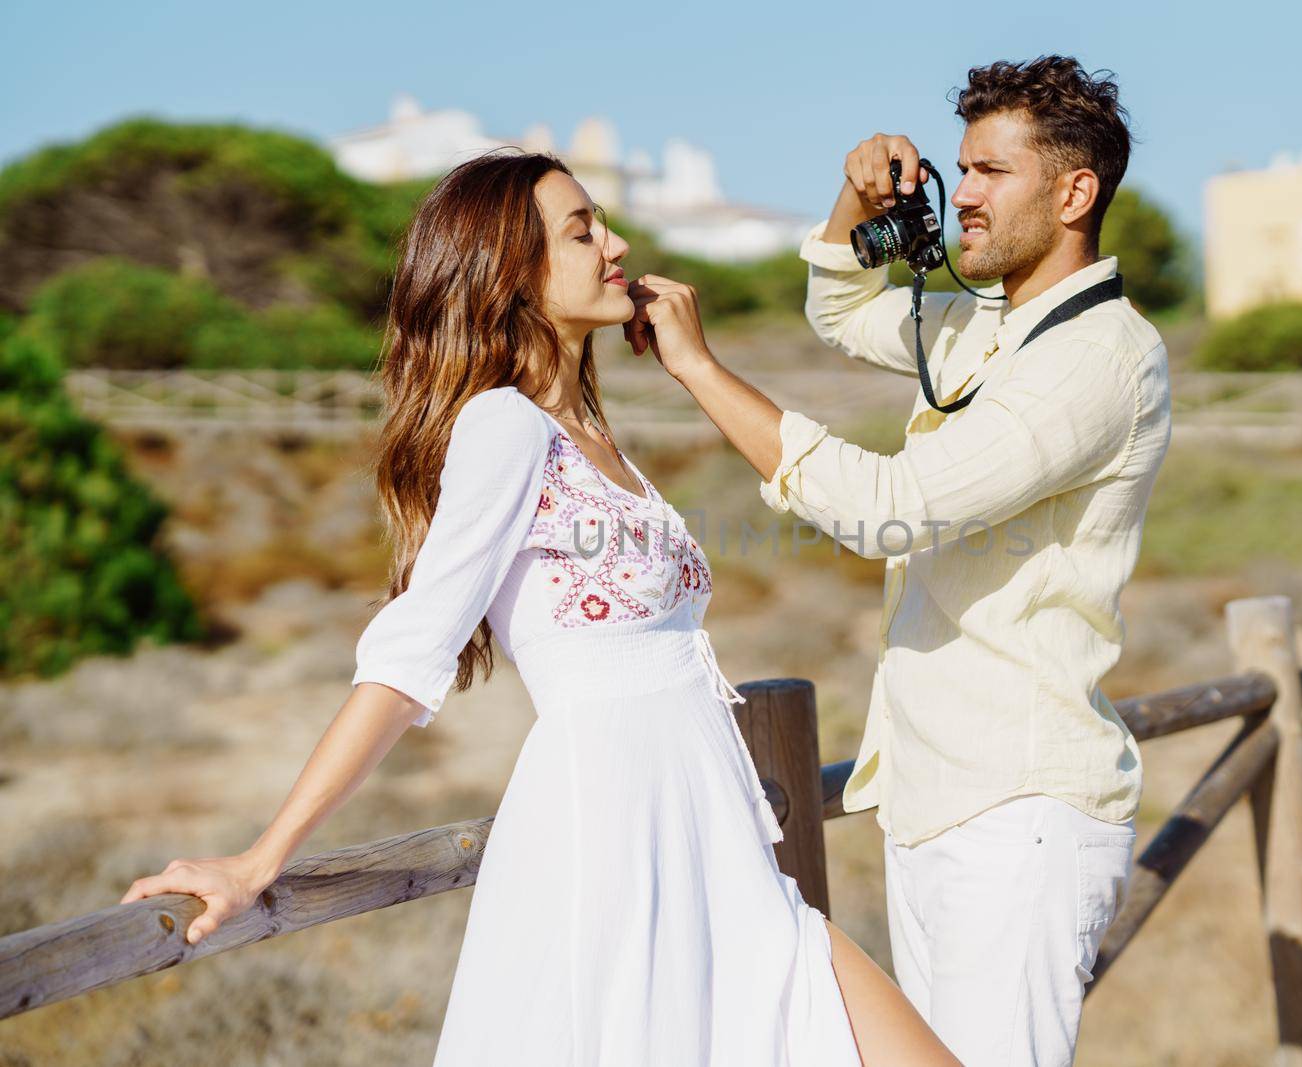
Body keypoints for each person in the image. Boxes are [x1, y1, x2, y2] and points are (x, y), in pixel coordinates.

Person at [119, 150, 961, 1066]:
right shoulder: (504, 426)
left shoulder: (592, 437)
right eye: (583, 229)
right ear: (511, 273)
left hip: (717, 849)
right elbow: (408, 657)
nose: (618, 244)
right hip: (614, 834)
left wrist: (694, 365)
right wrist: (258, 860)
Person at [626, 55, 1172, 1066]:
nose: (958, 192)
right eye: (958, 168)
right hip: (940, 797)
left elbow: (890, 510)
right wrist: (854, 199)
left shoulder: (1095, 359)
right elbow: (840, 311)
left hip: (1016, 812)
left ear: (1074, 192)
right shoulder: (992, 324)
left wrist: (699, 367)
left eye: (989, 173)